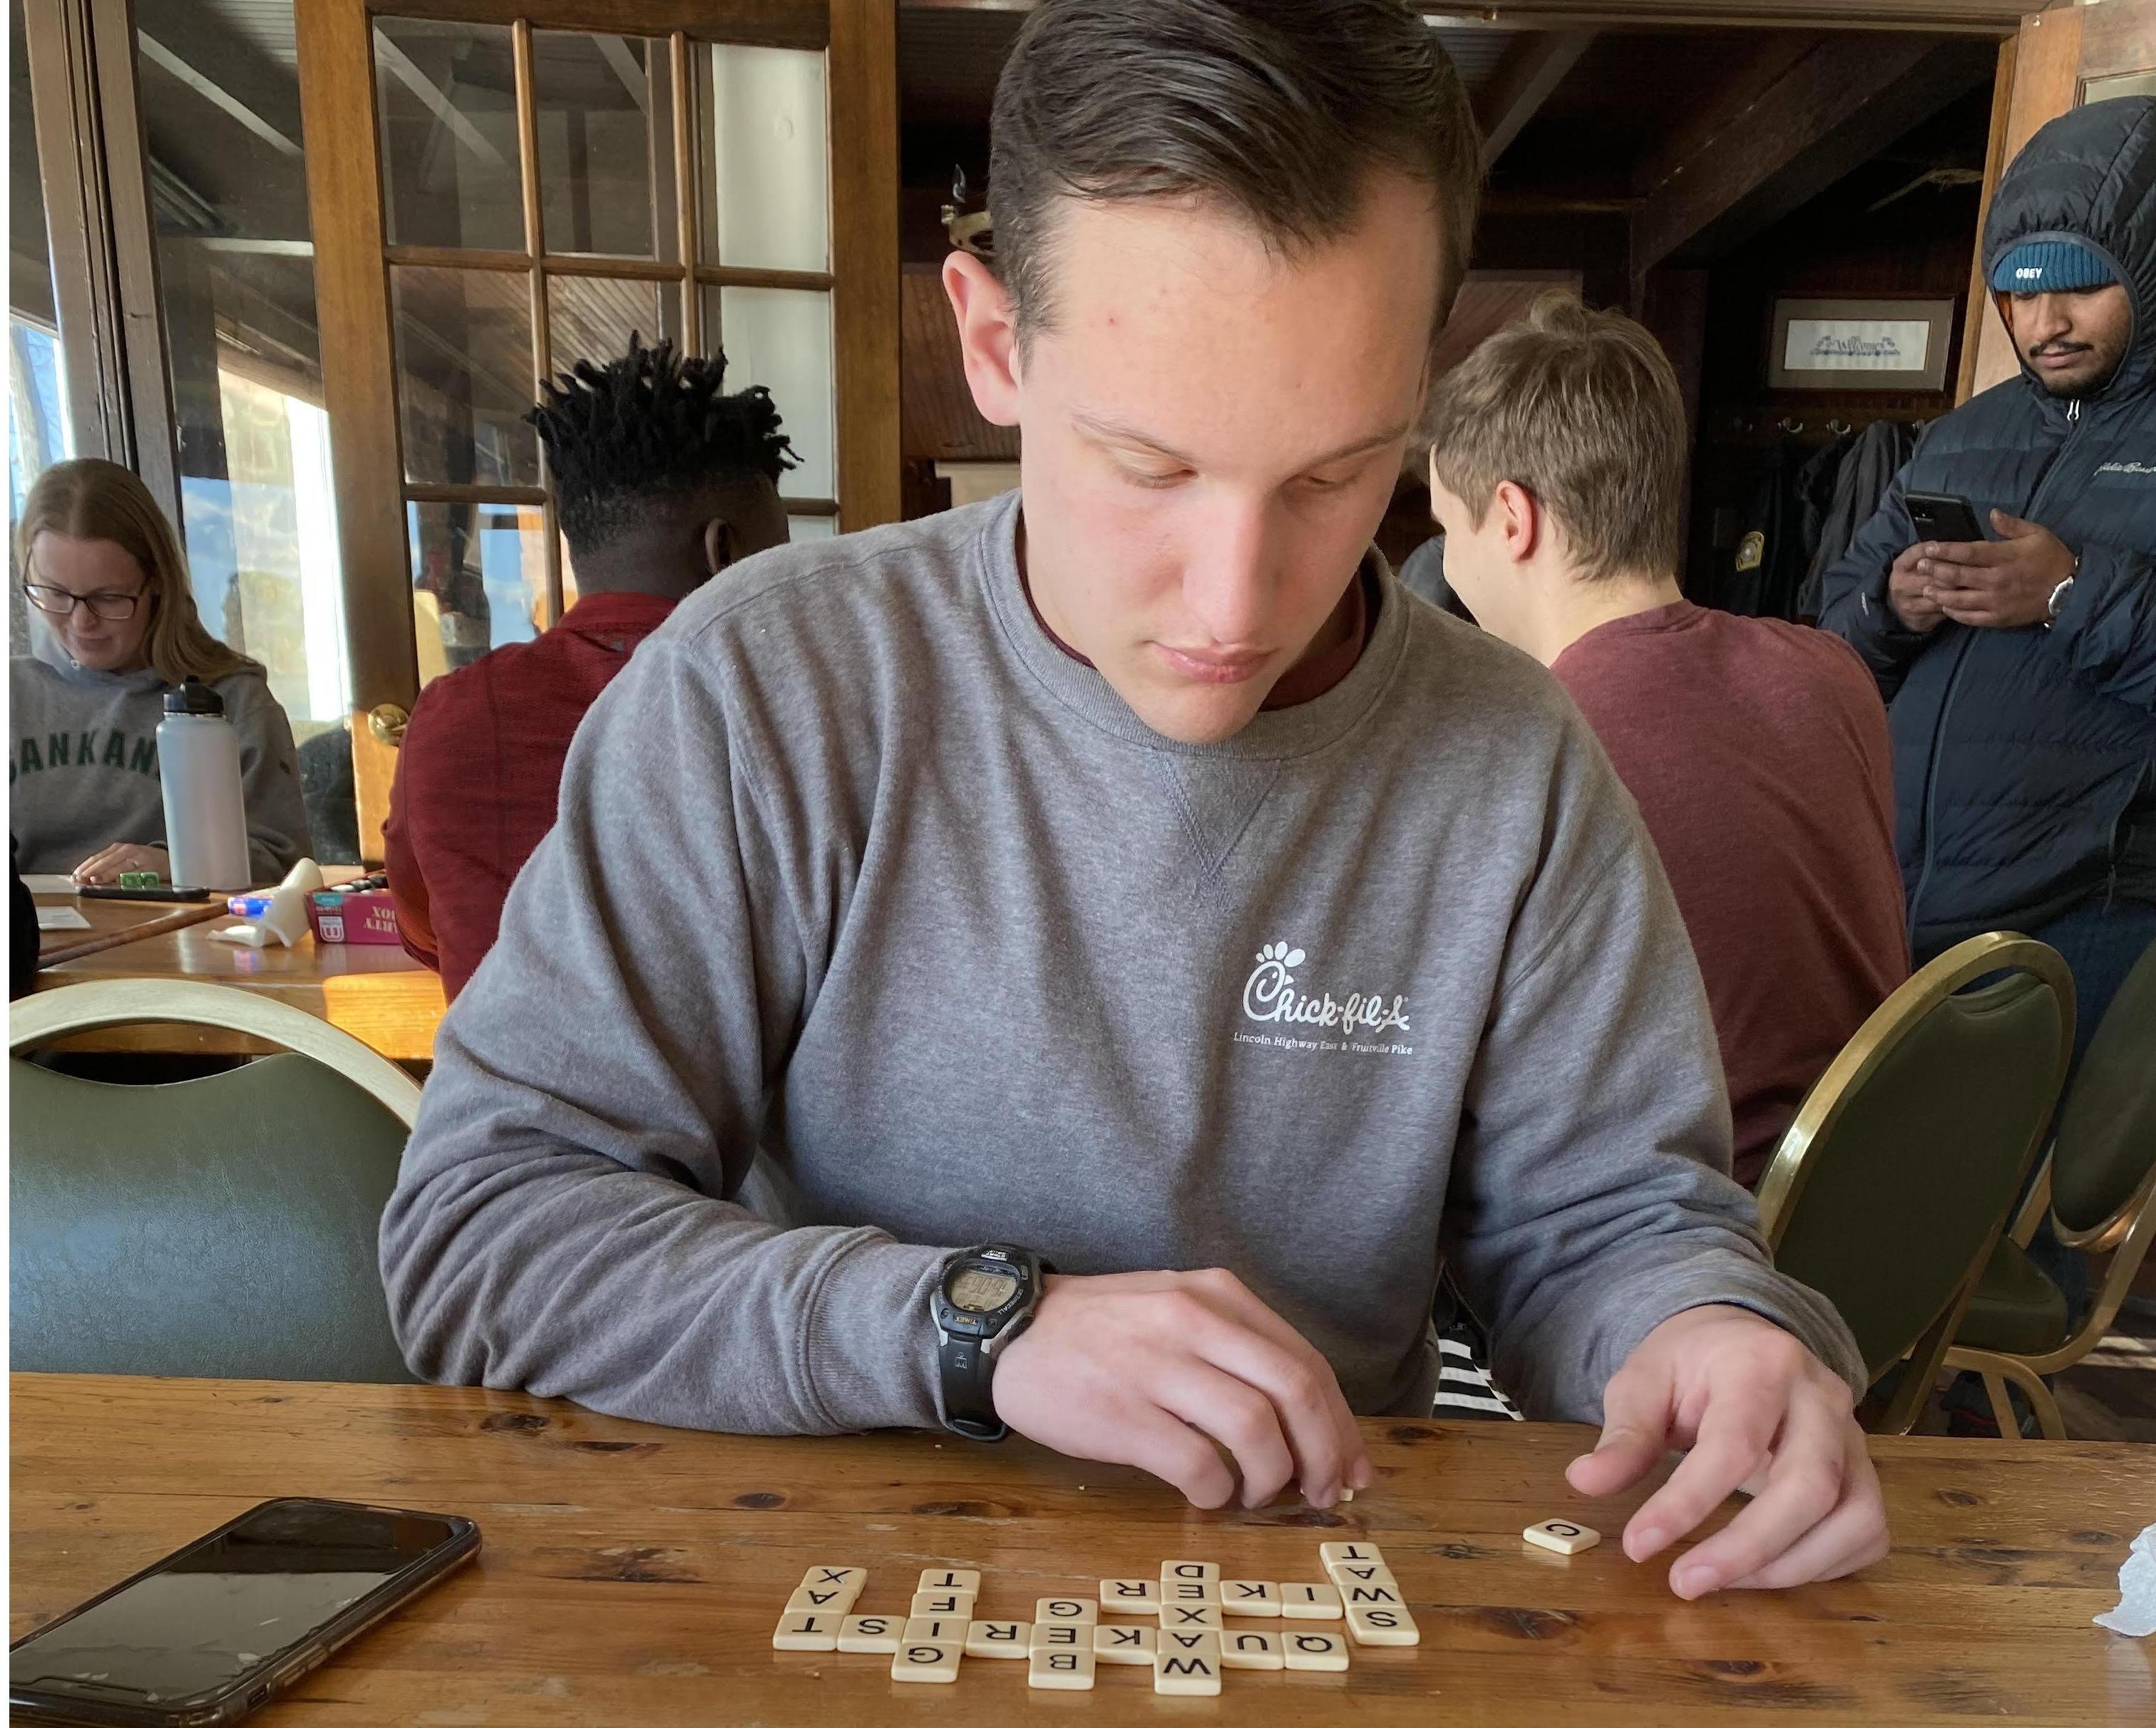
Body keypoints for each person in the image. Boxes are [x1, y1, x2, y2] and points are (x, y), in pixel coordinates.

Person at [383, 0, 1886, 1600]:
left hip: (1307, 1603)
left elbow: (1609, 1222)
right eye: (1148, 468)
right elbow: (488, 1234)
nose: (1237, 601)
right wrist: (977, 1329)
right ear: (992, 345)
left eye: (1333, 476)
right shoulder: (768, 686)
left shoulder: (1512, 759)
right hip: (827, 1599)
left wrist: (1705, 1325)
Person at [1422, 295, 1909, 1188]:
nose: (1447, 565)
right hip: (1875, 1205)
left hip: (1679, 1240)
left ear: (1512, 519)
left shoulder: (1533, 741)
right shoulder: (1833, 672)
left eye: (1447, 529)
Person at [1819, 96, 2156, 1069]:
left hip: (2099, 919)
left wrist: (2068, 592)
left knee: (2057, 1217)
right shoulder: (1960, 435)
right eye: (2016, 291)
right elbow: (1829, 650)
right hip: (1903, 912)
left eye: (2080, 288)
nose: (2040, 323)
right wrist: (1895, 605)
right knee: (1916, 1209)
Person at [384, 340, 794, 998]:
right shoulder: (792, 711)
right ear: (725, 551)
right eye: (781, 552)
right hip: (745, 1103)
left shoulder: (450, 717)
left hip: (508, 1095)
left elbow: (421, 924)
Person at [10, 458, 311, 885]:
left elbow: (289, 865)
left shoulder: (232, 700)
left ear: (156, 583)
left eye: (109, 597)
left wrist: (177, 865)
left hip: (181, 943)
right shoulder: (14, 693)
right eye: (55, 593)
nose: (81, 622)